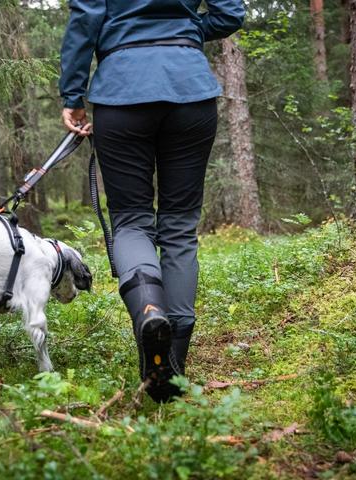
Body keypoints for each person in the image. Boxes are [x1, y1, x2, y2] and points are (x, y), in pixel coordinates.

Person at [59, 0, 245, 402]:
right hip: (190, 91)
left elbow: (85, 20)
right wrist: (186, 32)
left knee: (131, 222)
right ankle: (172, 368)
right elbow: (230, 13)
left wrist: (72, 94)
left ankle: (149, 313)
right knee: (179, 226)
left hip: (121, 92)